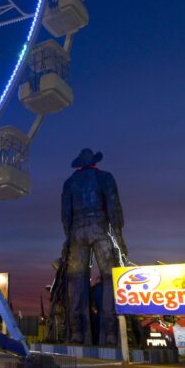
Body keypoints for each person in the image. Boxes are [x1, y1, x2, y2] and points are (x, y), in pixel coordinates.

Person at [61, 148, 126, 346]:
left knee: (76, 281)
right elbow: (114, 207)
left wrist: (69, 237)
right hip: (100, 228)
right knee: (109, 278)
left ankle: (77, 333)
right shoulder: (105, 177)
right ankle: (110, 333)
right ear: (94, 162)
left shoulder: (70, 182)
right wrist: (118, 235)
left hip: (77, 232)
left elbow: (66, 215)